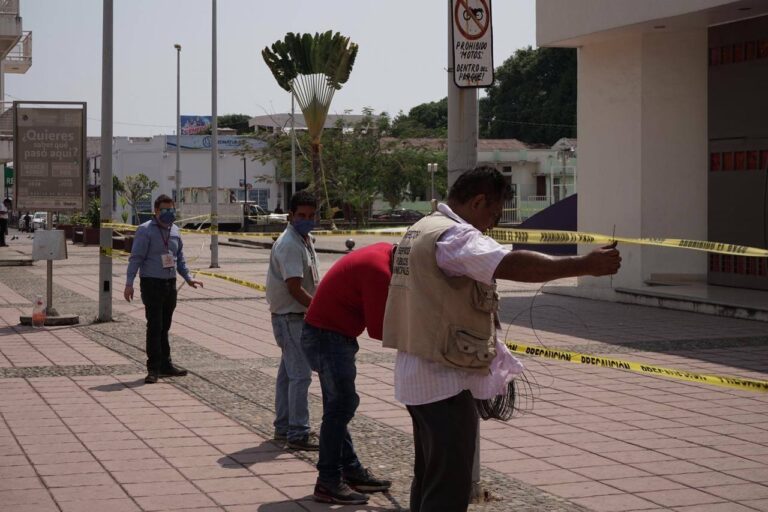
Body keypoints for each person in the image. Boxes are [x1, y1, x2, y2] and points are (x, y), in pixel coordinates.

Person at [382, 166, 622, 512]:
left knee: (431, 477)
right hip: (444, 380)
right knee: (448, 489)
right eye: (493, 214)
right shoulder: (456, 237)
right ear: (478, 201)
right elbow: (510, 264)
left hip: (418, 372)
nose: (491, 225)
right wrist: (584, 265)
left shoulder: (422, 228)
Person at [301, 242, 395, 505]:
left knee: (338, 405)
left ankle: (350, 469)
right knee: (341, 406)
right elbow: (379, 329)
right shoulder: (380, 271)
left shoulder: (384, 250)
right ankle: (328, 481)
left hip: (326, 334)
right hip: (327, 337)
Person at [124, 194, 204, 384]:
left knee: (165, 327)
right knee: (154, 326)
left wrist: (189, 278)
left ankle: (165, 365)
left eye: (171, 209)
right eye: (164, 210)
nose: (169, 213)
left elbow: (180, 259)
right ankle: (153, 369)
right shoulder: (145, 231)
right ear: (156, 211)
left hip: (170, 284)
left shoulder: (175, 231)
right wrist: (129, 283)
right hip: (151, 283)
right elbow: (136, 258)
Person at [266, 190, 319, 451]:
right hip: (290, 318)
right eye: (301, 215)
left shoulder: (304, 239)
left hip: (294, 316)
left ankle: (284, 426)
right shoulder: (289, 243)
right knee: (300, 376)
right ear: (291, 215)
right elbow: (294, 288)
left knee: (288, 374)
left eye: (311, 215)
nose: (306, 219)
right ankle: (298, 432)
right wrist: (321, 309)